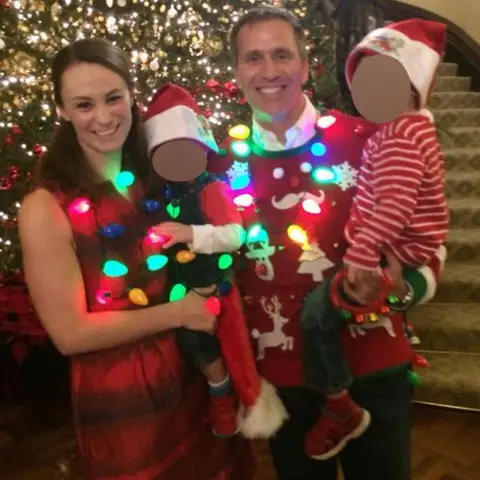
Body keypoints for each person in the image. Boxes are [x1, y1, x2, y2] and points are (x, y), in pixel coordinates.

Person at [221, 5, 446, 480]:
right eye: (253, 58)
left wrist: (404, 289)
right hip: (281, 382)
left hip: (371, 369)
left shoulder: (373, 137)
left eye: (282, 55)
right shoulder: (220, 165)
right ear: (237, 72)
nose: (269, 71)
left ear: (306, 66)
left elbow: (432, 241)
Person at [18, 38, 254, 480]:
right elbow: (69, 333)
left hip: (198, 375)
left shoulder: (157, 172)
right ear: (62, 111)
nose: (104, 117)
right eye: (84, 104)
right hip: (125, 400)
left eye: (114, 98)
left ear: (131, 96)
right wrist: (180, 313)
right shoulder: (46, 206)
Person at [299, 18, 449, 461]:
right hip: (289, 371)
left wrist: (384, 268)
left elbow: (399, 209)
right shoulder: (392, 132)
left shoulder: (396, 136)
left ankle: (338, 404)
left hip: (388, 271)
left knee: (316, 314)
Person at [142, 83, 287, 439]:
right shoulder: (166, 193)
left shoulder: (214, 189)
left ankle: (224, 397)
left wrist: (191, 235)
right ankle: (216, 395)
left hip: (212, 284)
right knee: (190, 346)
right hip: (177, 286)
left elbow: (235, 236)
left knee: (215, 345)